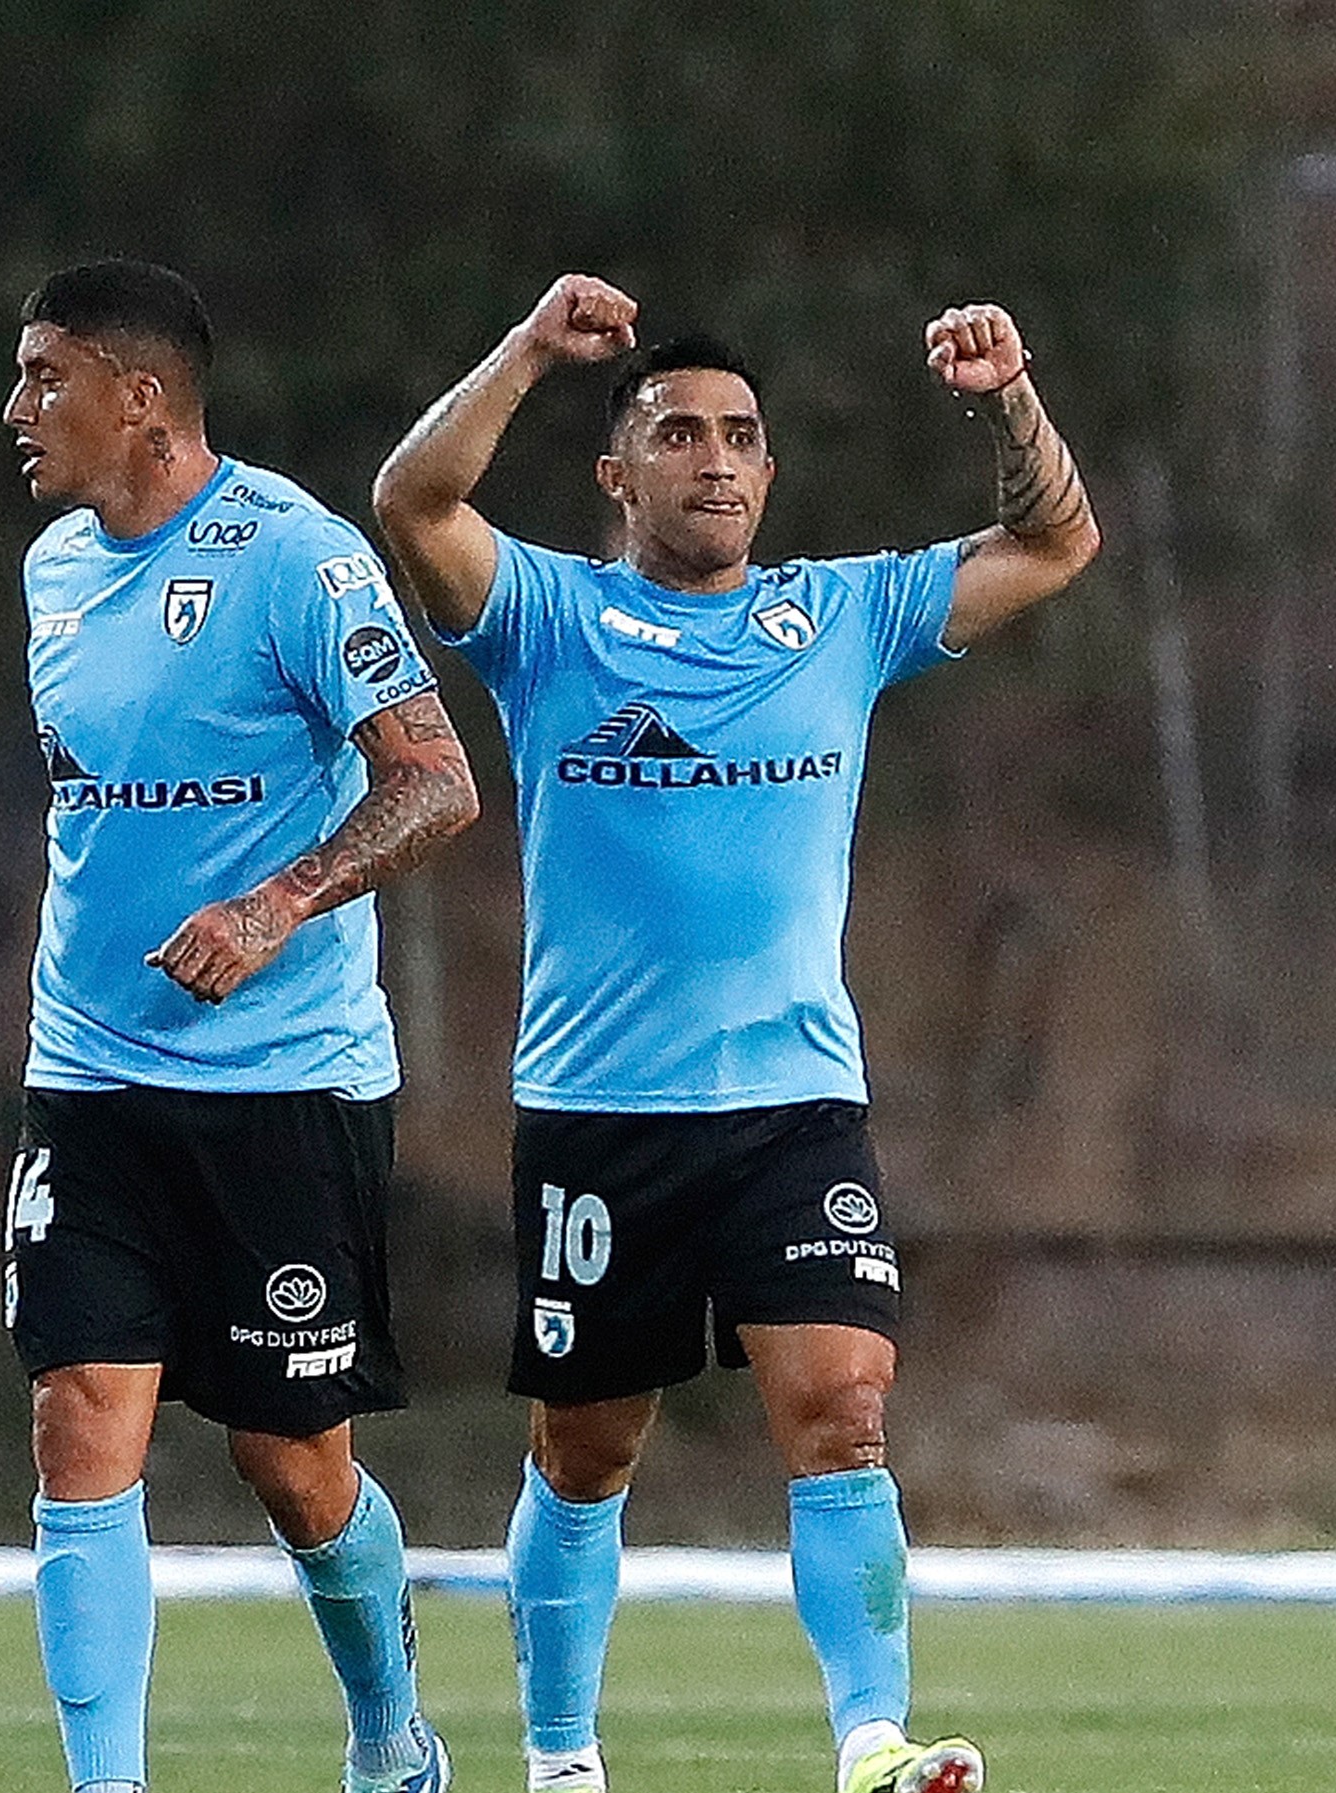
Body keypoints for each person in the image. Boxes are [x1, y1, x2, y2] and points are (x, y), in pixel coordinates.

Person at [369, 272, 1098, 1793]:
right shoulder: (549, 619)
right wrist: (524, 348)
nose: (713, 456)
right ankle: (563, 1759)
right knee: (586, 1451)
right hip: (598, 1114)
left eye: (741, 436)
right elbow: (413, 499)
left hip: (792, 1106)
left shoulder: (841, 611)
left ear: (769, 473)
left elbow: (1053, 541)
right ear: (614, 473)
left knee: (842, 1410)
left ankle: (873, 1741)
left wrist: (1006, 396)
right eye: (677, 431)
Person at [1, 258, 480, 1793]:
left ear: (140, 396)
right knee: (82, 1422)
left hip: (284, 1086)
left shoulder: (296, 557)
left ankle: (393, 1735)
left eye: (45, 375)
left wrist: (274, 907)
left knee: (290, 1461)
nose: (17, 409)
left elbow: (435, 778)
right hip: (88, 1074)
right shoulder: (53, 570)